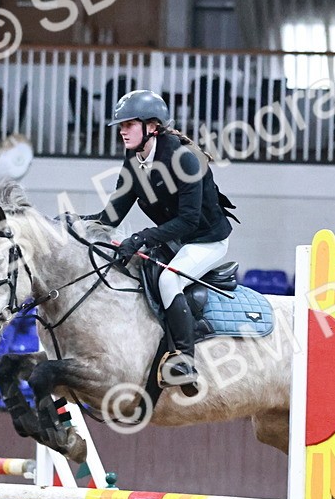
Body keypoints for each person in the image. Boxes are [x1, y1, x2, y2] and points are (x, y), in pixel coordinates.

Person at [87, 89, 238, 389]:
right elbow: (111, 217)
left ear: (152, 126)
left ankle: (184, 360)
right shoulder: (134, 159)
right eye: (121, 125)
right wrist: (73, 224)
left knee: (169, 280)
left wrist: (141, 237)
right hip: (176, 239)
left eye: (129, 124)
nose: (122, 131)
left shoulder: (186, 160)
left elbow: (188, 220)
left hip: (206, 240)